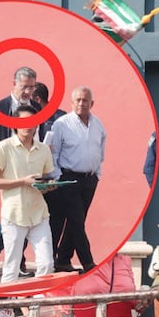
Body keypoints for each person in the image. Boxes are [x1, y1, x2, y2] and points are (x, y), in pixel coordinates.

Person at [0, 67, 41, 276]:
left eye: (32, 87)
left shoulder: (36, 108)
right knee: (14, 211)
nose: (28, 92)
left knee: (22, 211)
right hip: (8, 168)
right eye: (24, 87)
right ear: (14, 84)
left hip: (31, 166)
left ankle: (14, 259)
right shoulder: (0, 107)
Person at [0, 104, 55, 283]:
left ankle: (38, 306)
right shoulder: (4, 147)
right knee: (11, 268)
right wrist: (23, 181)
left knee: (47, 263)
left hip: (39, 213)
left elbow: (46, 178)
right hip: (14, 214)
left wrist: (49, 185)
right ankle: (5, 309)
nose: (28, 126)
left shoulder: (44, 149)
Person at [48, 86, 106, 272]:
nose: (81, 103)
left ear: (92, 103)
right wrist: (57, 177)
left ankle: (63, 259)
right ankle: (88, 262)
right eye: (78, 100)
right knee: (76, 220)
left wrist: (97, 173)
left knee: (77, 220)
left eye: (85, 100)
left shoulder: (98, 125)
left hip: (89, 179)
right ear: (72, 103)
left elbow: (100, 150)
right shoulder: (62, 124)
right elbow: (53, 153)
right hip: (68, 178)